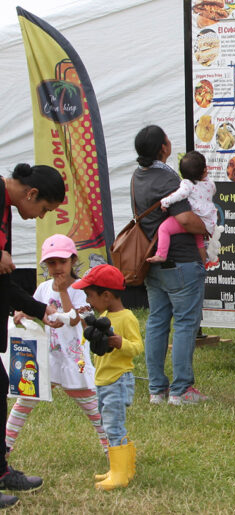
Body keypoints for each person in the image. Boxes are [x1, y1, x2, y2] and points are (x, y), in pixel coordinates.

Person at [5, 234, 109, 459]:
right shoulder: (43, 288)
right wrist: (24, 313)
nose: (57, 267)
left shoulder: (82, 290)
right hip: (48, 359)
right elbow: (36, 309)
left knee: (91, 406)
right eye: (51, 263)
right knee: (24, 401)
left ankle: (112, 448)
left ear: (72, 260)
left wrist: (63, 291)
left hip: (75, 361)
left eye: (62, 262)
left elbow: (74, 319)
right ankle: (5, 446)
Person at [131, 126, 208, 406]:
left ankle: (156, 390)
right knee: (186, 323)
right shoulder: (168, 178)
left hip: (153, 261)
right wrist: (208, 227)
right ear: (163, 147)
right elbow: (186, 219)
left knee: (157, 322)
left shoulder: (137, 177)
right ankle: (182, 390)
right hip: (182, 261)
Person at [0, 163, 63, 509]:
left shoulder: (7, 207)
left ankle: (1, 470)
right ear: (32, 193)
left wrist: (41, 311)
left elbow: (5, 283)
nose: (41, 217)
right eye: (44, 210)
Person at [72, 264, 142, 491]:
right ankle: (122, 468)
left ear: (106, 295)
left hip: (118, 380)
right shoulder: (104, 315)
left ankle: (120, 474)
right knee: (108, 424)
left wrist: (121, 343)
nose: (88, 300)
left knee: (113, 426)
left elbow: (138, 347)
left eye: (90, 295)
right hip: (103, 380)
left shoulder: (126, 317)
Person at [147, 151, 220, 267]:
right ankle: (203, 263)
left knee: (164, 228)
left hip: (194, 218)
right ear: (205, 170)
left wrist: (165, 202)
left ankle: (161, 254)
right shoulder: (210, 184)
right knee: (199, 242)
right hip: (207, 222)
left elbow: (179, 195)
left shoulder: (187, 184)